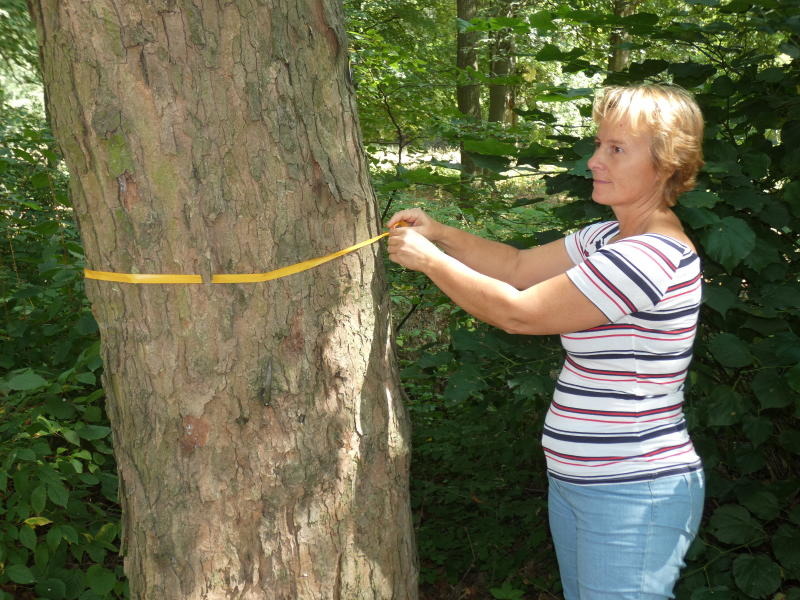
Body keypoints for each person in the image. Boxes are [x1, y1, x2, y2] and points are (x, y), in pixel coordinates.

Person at [386, 83, 705, 599]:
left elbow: (519, 313)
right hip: (581, 481)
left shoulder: (650, 257)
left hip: (632, 488)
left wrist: (429, 261)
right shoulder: (606, 238)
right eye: (598, 144)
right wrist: (442, 233)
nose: (594, 161)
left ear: (667, 163)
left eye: (616, 149)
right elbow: (516, 267)